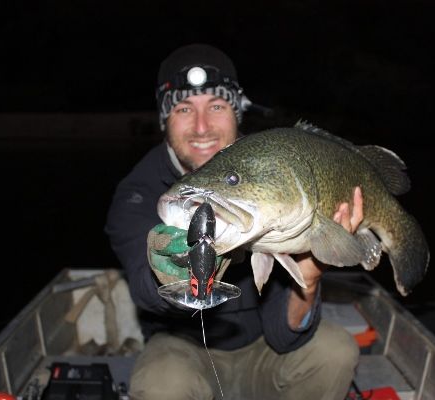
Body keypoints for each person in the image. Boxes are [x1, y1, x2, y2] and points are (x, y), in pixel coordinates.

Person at [105, 44, 362, 400]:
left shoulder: (274, 175)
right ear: (164, 119)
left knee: (335, 351)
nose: (201, 127)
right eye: (183, 108)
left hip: (263, 350)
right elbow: (144, 291)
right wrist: (173, 270)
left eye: (216, 106)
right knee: (161, 384)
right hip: (183, 350)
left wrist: (311, 271)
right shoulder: (138, 192)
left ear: (237, 112)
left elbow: (283, 337)